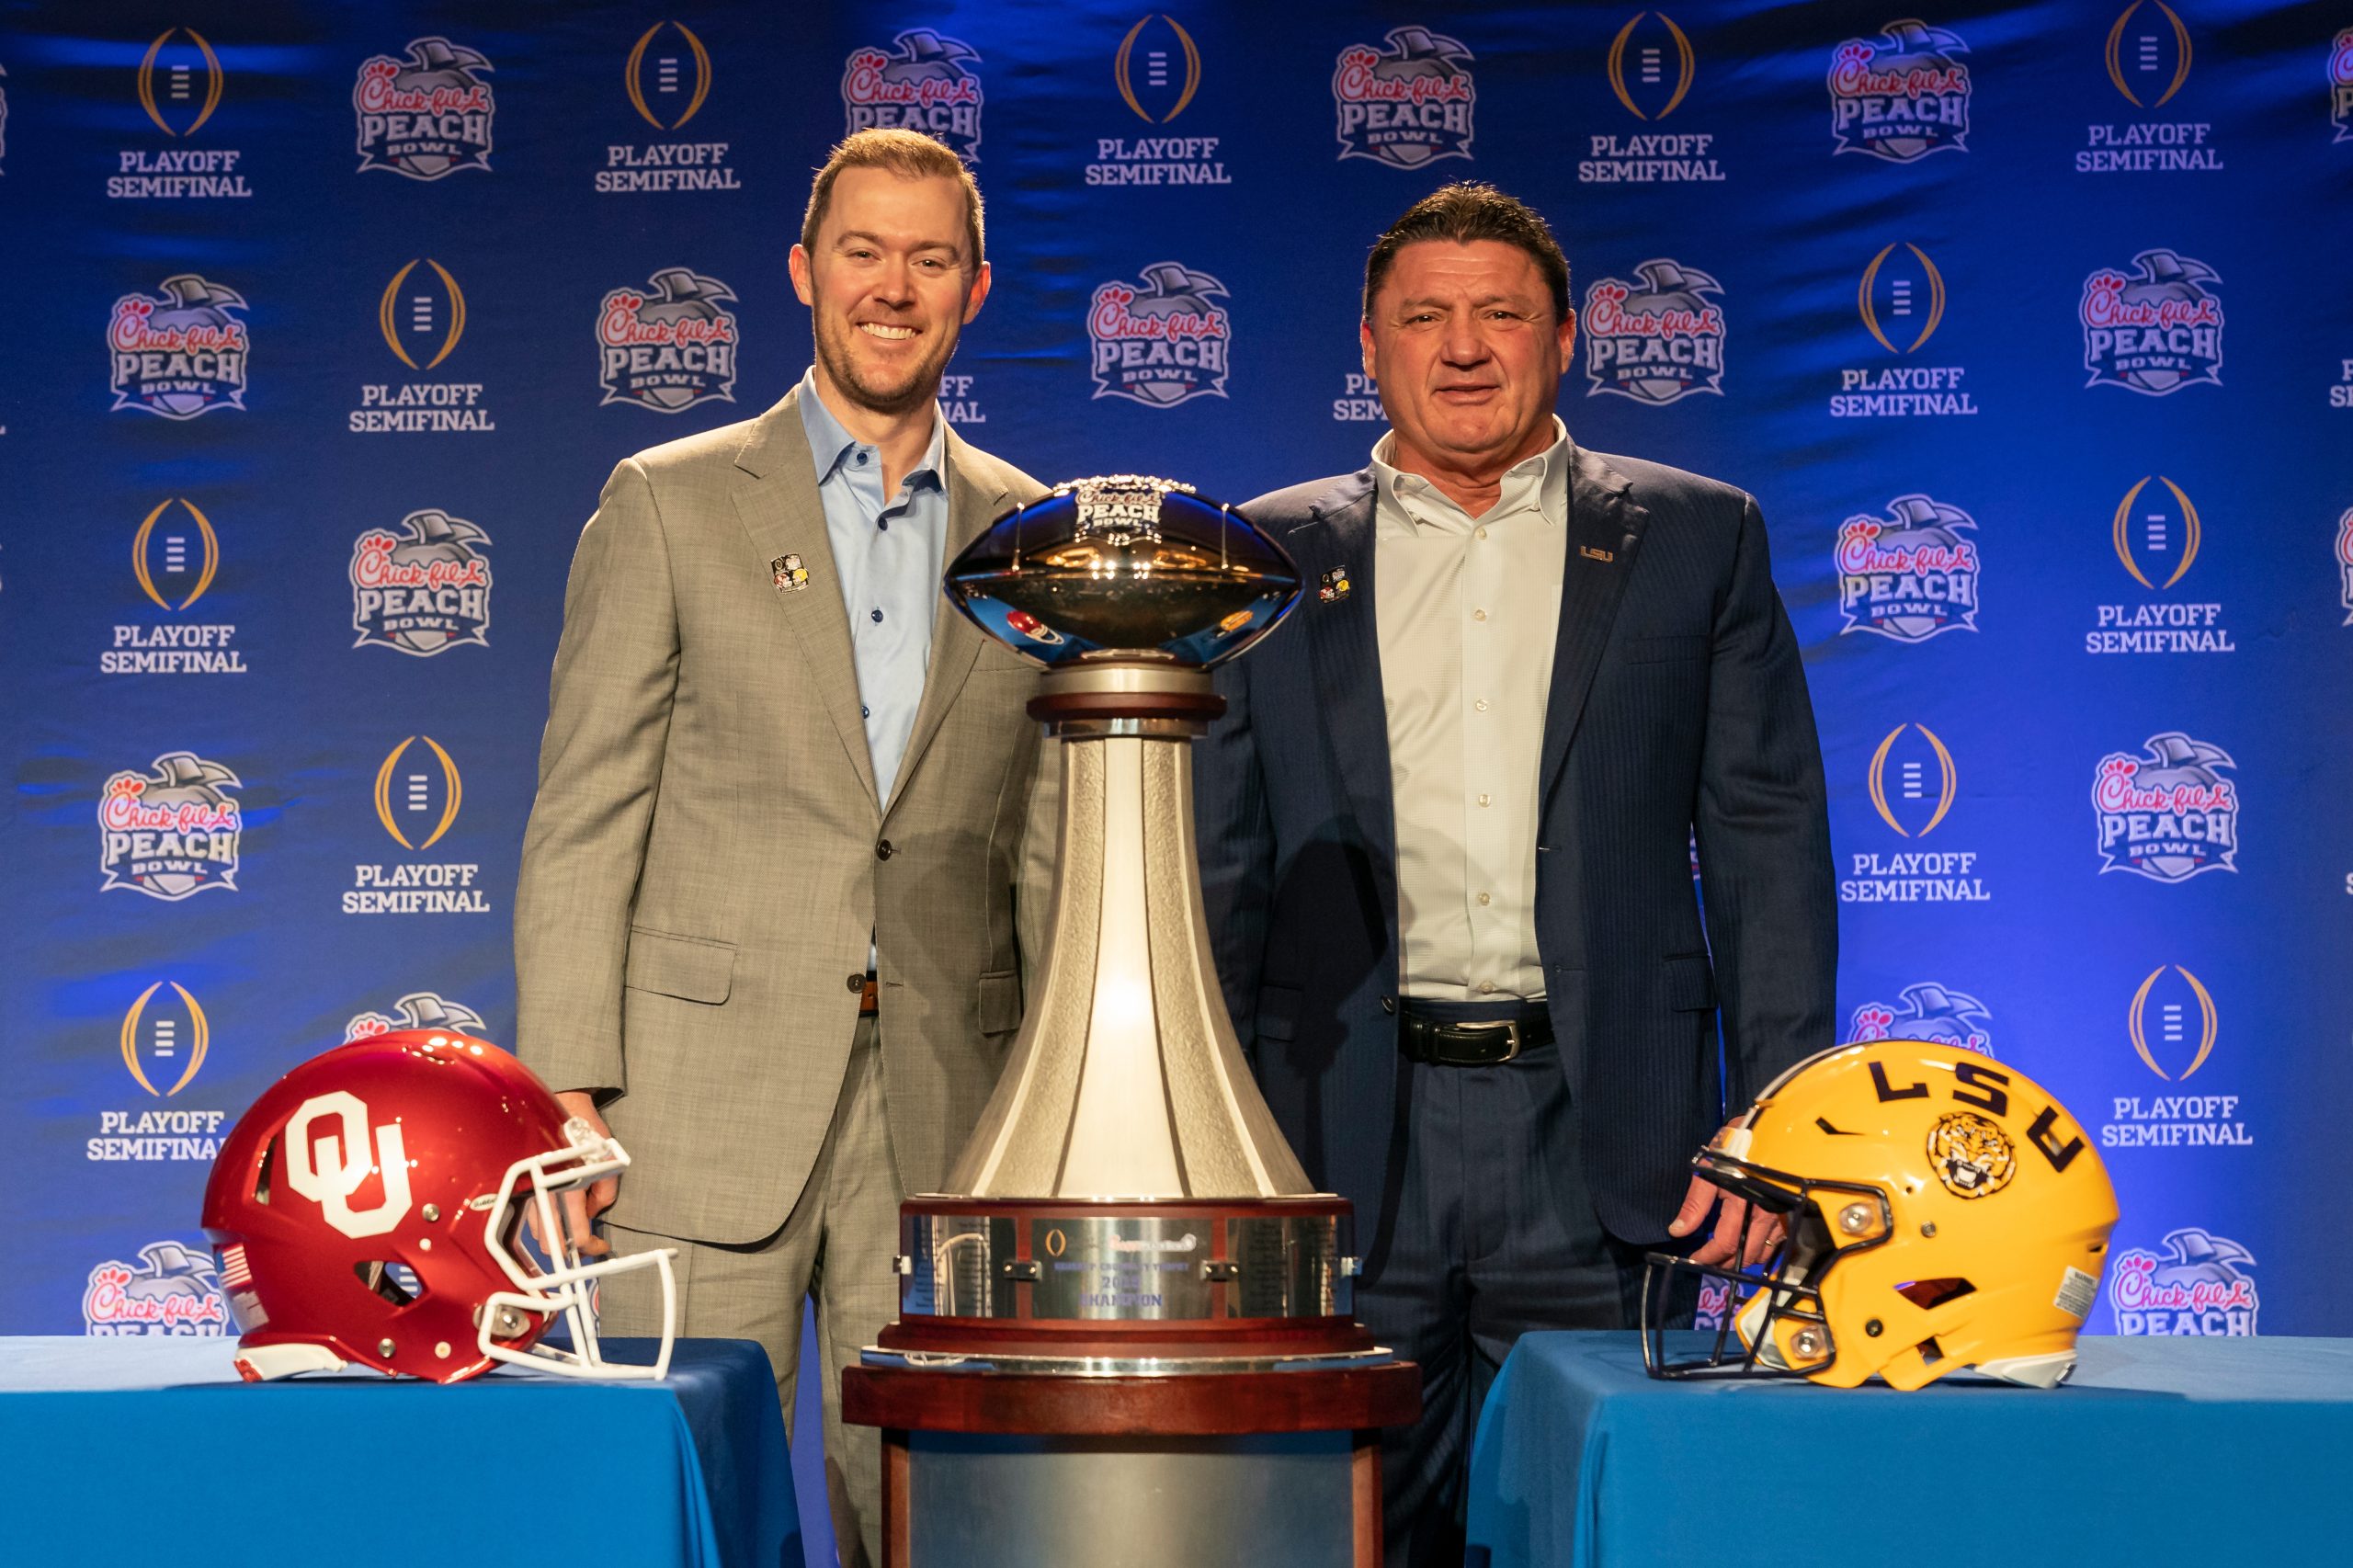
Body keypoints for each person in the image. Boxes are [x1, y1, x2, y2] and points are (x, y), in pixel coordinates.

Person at [1192, 183, 1836, 1566]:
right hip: (1339, 1143)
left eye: (1502, 314)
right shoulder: (1270, 556)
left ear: (1568, 337)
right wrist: (1213, 1148)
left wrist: (1778, 1134)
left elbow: (1767, 847)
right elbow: (1218, 875)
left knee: (1598, 1534)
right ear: (1371, 344)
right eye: (1426, 316)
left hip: (1612, 1142)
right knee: (1336, 1533)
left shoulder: (1698, 537)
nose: (1465, 347)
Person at [513, 128, 1050, 1567]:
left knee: (937, 1519)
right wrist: (566, 1094)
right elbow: (584, 813)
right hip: (689, 1113)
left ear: (975, 288)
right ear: (805, 272)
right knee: (684, 1510)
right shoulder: (670, 499)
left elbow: (1048, 849)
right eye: (863, 253)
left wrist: (1065, 1113)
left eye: (929, 259)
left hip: (950, 1121)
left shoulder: (1027, 534)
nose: (894, 288)